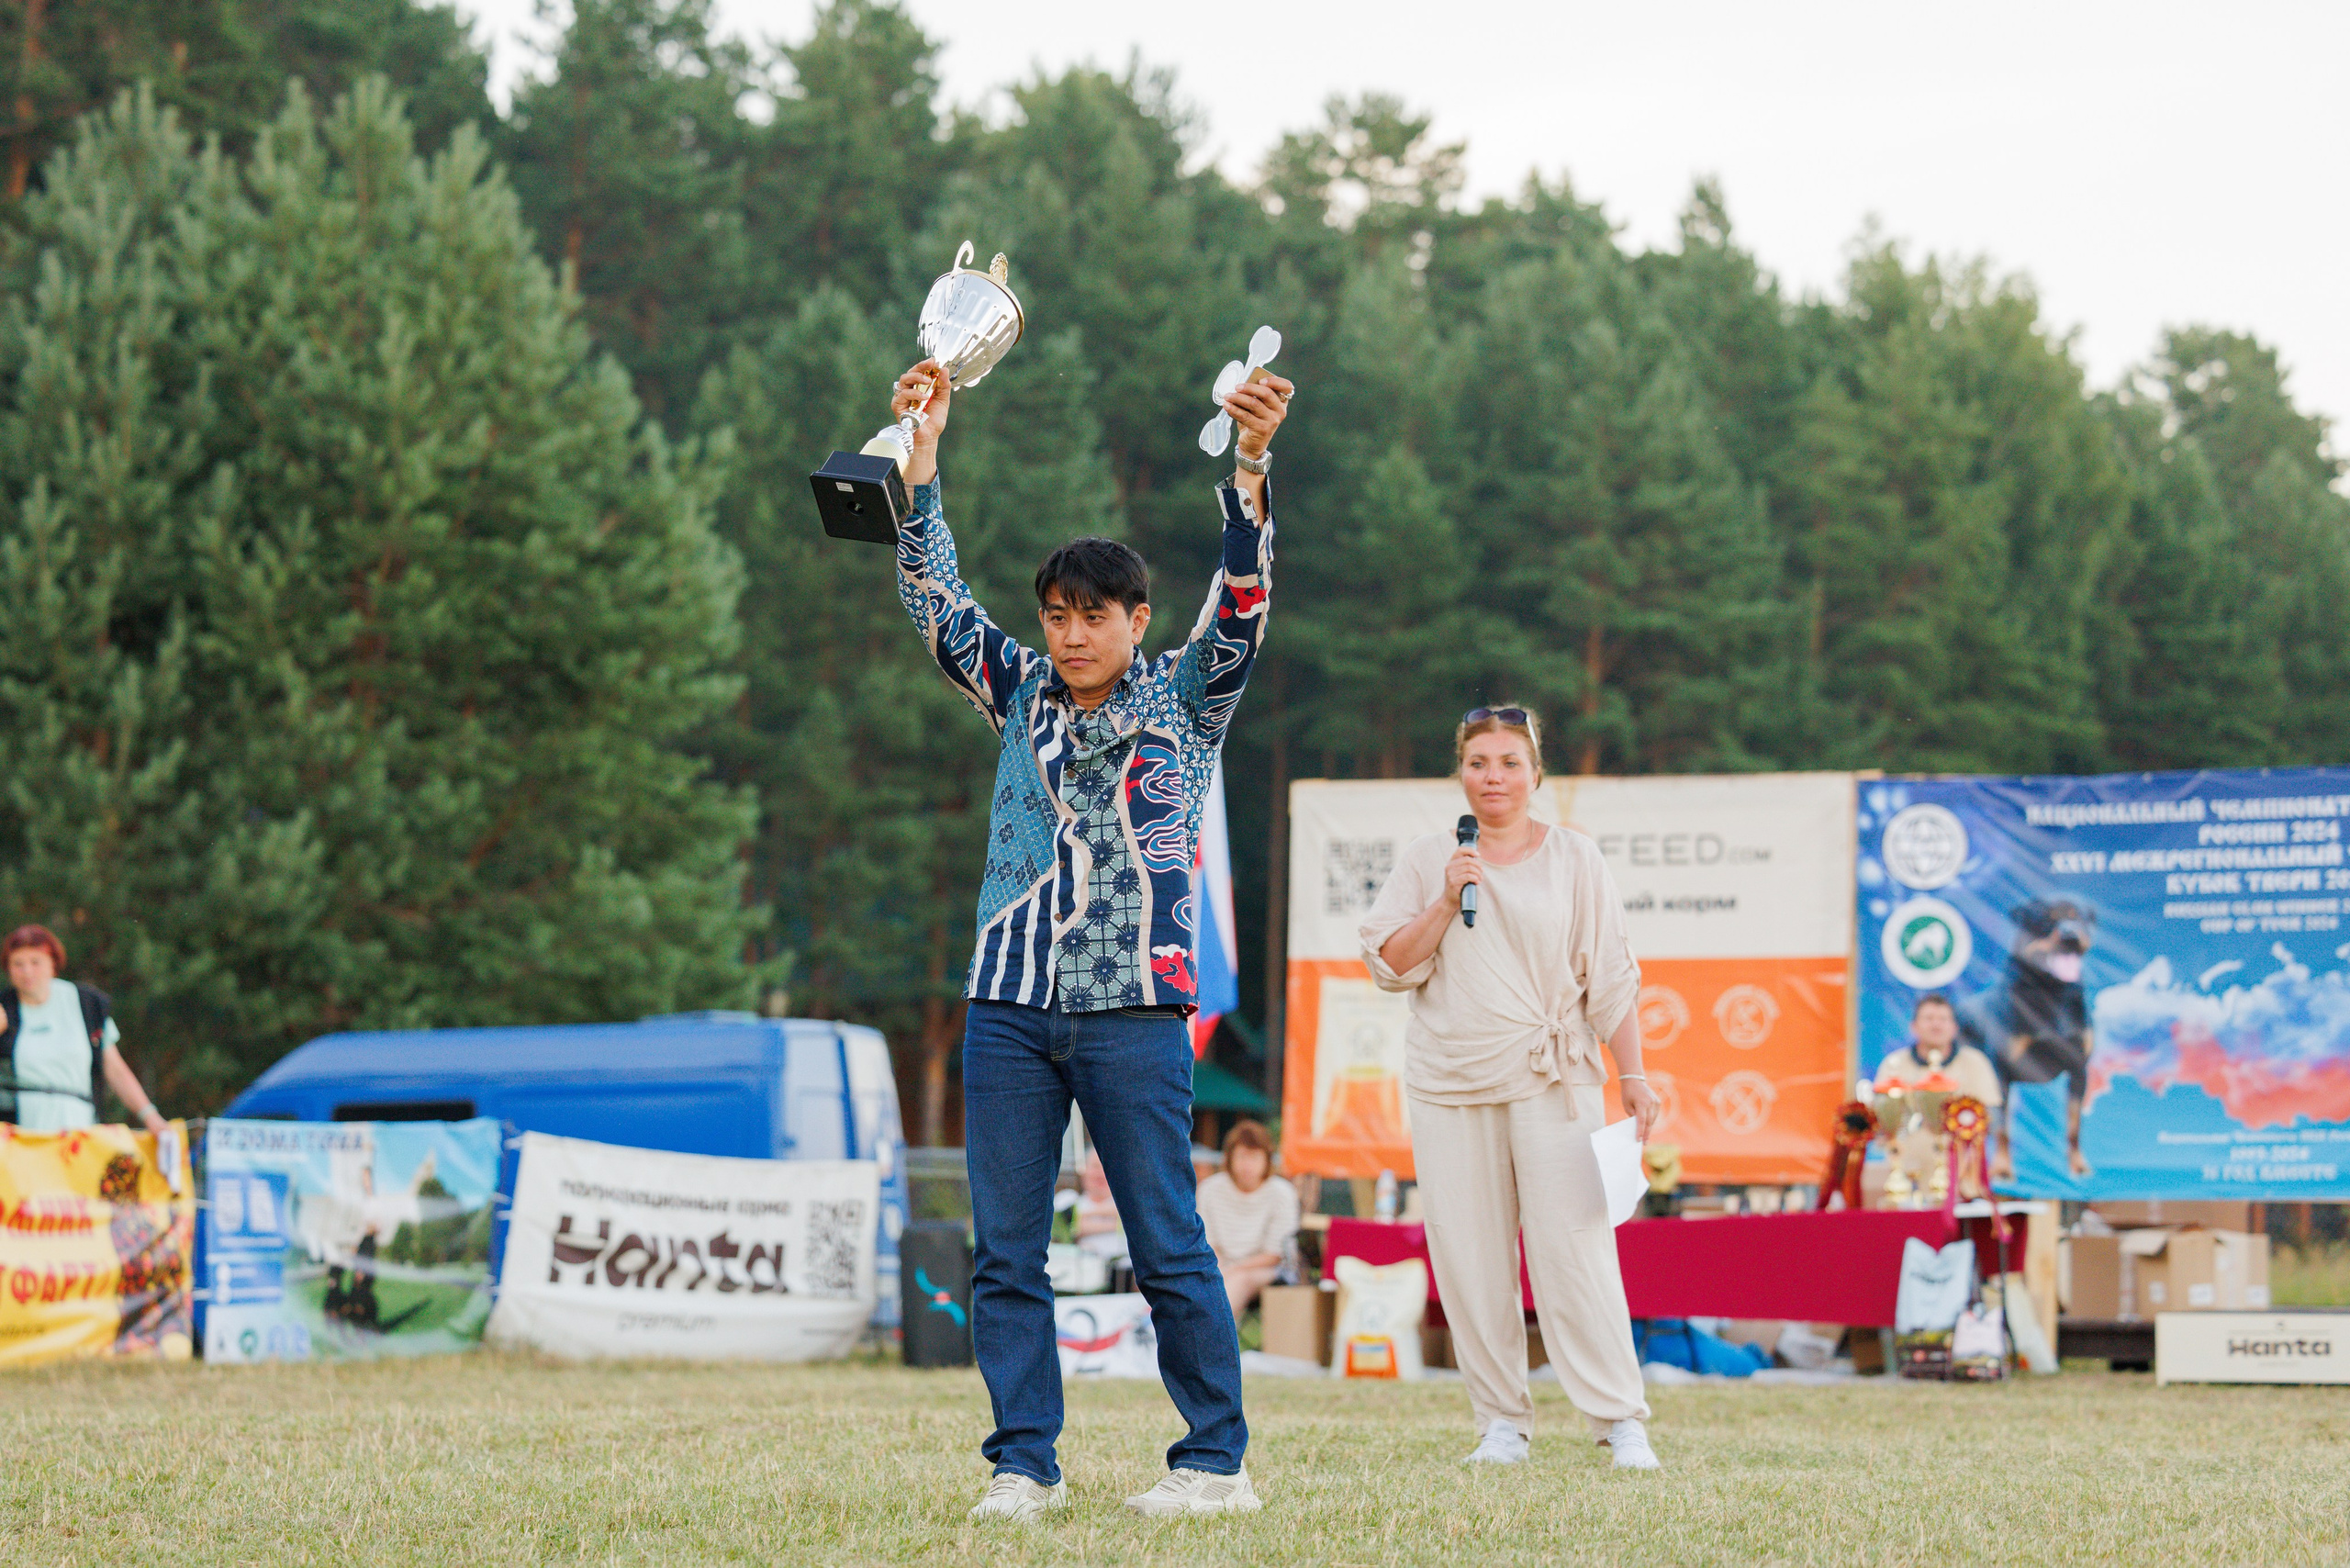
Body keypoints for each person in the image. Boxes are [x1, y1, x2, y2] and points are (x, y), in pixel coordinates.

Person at [885, 350, 1292, 1521]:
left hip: (1135, 1009)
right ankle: (1024, 1463)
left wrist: (1251, 465)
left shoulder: (1185, 697)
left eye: (1093, 616)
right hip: (1008, 1005)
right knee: (1007, 1251)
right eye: (1057, 615)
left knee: (1168, 1239)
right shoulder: (1012, 690)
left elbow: (1247, 595)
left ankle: (1214, 1461)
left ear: (1137, 620)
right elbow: (934, 601)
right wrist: (924, 460)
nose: (1069, 635)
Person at [1359, 706, 1665, 1472]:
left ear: (1535, 774)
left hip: (1552, 1075)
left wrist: (1632, 1074)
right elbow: (1391, 964)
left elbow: (1613, 978)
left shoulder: (1575, 858)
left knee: (1575, 1252)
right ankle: (1501, 1420)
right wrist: (1444, 896)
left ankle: (1619, 1419)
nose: (1493, 777)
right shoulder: (1434, 857)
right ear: (1460, 771)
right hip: (1451, 1078)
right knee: (1469, 1257)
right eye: (1478, 762)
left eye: (1509, 763)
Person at [0, 925, 168, 1137]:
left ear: (53, 963)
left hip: (79, 1135)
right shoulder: (3, 1008)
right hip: (17, 1141)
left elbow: (115, 1069)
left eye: (35, 962)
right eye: (18, 964)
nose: (27, 972)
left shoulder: (86, 1004)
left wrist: (150, 1116)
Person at [1872, 992, 2005, 1186]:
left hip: (1963, 1177)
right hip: (1908, 1174)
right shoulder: (1894, 1065)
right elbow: (1882, 1120)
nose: (1936, 1025)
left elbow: (1992, 1117)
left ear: (1954, 1028)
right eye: (1928, 1019)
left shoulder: (1975, 1063)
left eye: (1943, 1019)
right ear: (1914, 1027)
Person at [1194, 1121, 1300, 1321]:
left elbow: (1274, 1254)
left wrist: (1232, 1269)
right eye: (1242, 1156)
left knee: (1236, 1281)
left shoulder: (1282, 1193)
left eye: (1254, 1157)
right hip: (1218, 1265)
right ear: (1230, 1157)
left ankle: (1214, 1339)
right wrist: (1220, 1268)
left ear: (1267, 1160)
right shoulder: (1209, 1189)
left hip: (1267, 1271)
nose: (1247, 1165)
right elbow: (1207, 1242)